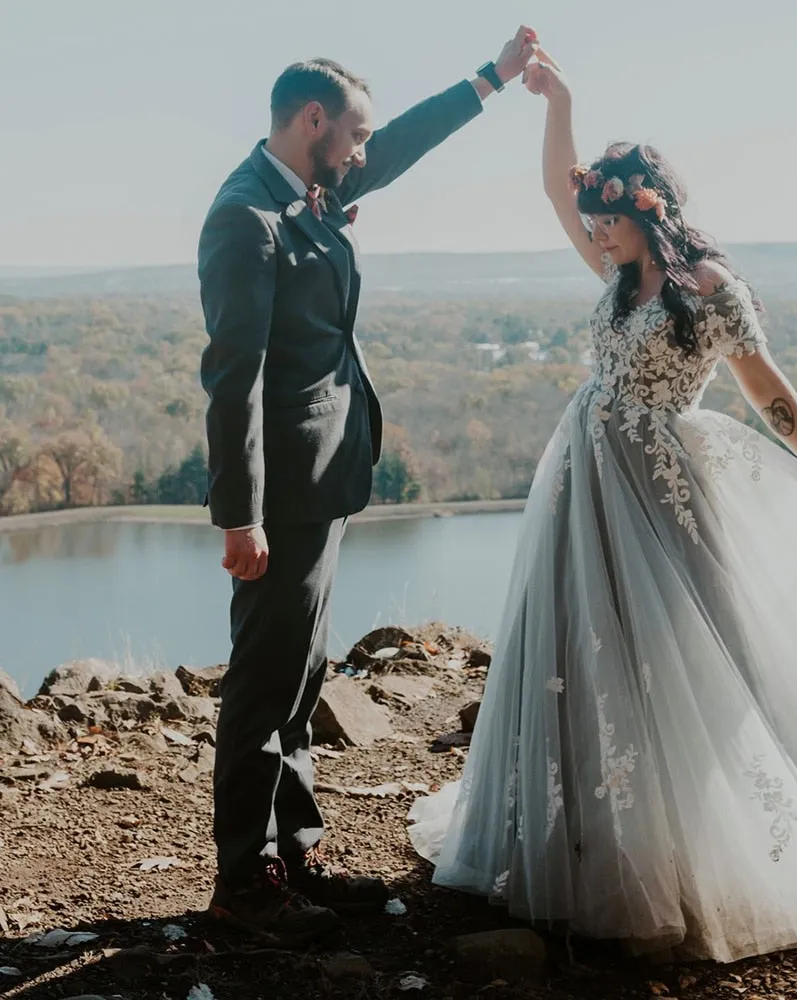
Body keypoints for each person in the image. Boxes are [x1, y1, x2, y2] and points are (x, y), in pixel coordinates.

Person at [408, 48, 797, 962]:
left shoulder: (712, 290)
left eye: (610, 221)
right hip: (581, 481)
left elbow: (769, 390)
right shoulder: (613, 273)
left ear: (651, 212)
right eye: (595, 223)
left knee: (671, 660)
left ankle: (675, 856)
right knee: (572, 647)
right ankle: (572, 838)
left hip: (658, 484)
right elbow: (555, 192)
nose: (595, 234)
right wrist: (557, 101)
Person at [198, 28, 539, 946]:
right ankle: (242, 889)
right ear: (312, 122)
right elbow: (234, 377)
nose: (358, 153)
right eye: (349, 136)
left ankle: (293, 850)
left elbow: (395, 150)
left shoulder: (307, 189)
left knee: (303, 676)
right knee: (264, 684)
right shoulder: (246, 218)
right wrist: (241, 514)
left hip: (325, 479)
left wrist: (490, 81)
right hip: (281, 497)